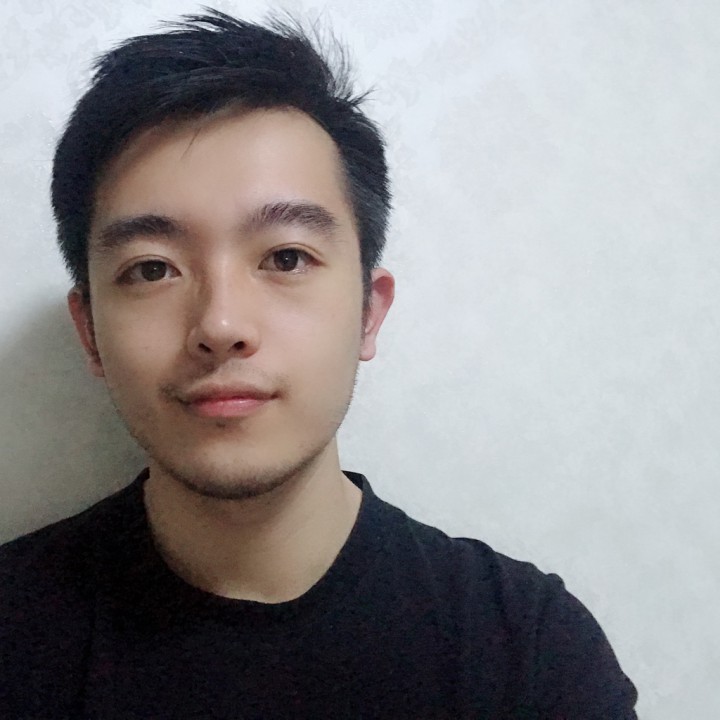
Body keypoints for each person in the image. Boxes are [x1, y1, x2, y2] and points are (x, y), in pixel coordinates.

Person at [0, 8, 638, 718]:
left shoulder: (529, 652)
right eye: (152, 269)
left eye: (286, 258)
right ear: (89, 332)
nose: (220, 325)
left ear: (368, 311)